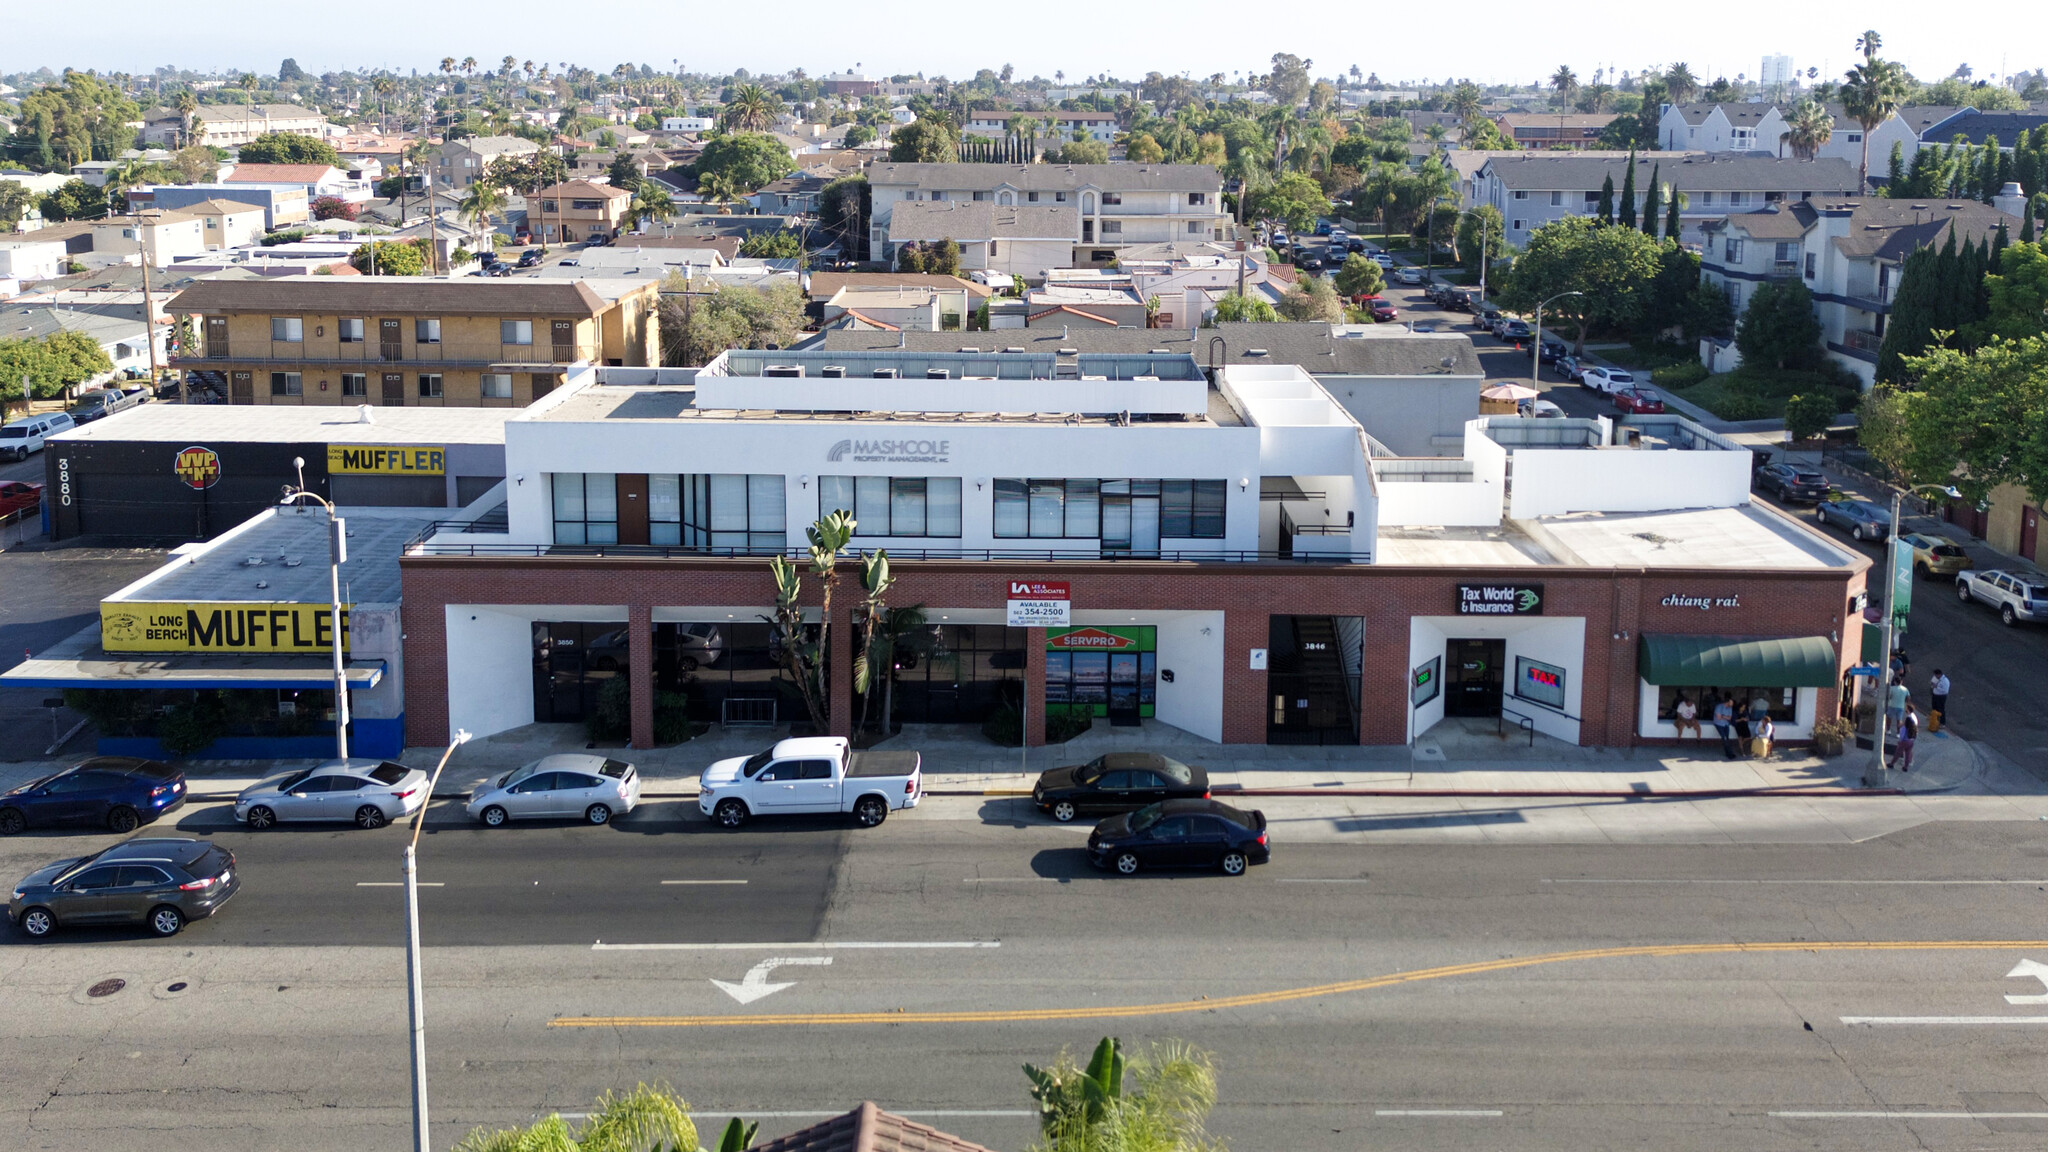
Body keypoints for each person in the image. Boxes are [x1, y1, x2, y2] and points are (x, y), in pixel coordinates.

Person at [1892, 706, 1919, 772]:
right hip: (1911, 740)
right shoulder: (1913, 720)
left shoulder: (1906, 724)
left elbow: (1902, 734)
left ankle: (1892, 763)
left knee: (1898, 753)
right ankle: (1905, 767)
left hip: (1905, 741)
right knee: (1908, 754)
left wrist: (1900, 741)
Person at [1712, 695, 1737, 760]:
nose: (1732, 704)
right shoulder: (1719, 707)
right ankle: (1730, 754)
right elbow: (1718, 717)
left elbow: (1730, 718)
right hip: (1719, 724)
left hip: (1726, 724)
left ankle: (1728, 753)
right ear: (1727, 702)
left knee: (1726, 738)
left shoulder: (1730, 708)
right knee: (1725, 738)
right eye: (1731, 703)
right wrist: (1725, 717)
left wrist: (1723, 716)